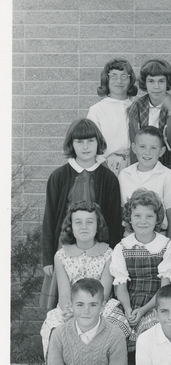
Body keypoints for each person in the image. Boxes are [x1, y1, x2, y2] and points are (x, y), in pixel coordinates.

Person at [41, 118, 122, 310]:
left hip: (98, 252)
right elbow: (49, 218)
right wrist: (47, 257)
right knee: (64, 303)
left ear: (98, 143)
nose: (85, 147)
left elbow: (114, 220)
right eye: (79, 142)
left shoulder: (108, 178)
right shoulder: (59, 176)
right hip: (64, 250)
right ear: (71, 144)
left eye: (90, 141)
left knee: (95, 301)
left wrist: (113, 256)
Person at [39, 202, 131, 358]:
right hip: (71, 306)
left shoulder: (109, 253)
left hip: (101, 306)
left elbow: (103, 292)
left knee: (116, 325)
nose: (84, 227)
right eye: (78, 222)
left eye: (90, 222)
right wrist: (73, 312)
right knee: (54, 326)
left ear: (98, 226)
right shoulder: (61, 255)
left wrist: (89, 312)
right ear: (70, 226)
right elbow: (64, 294)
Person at [108, 189, 171, 353]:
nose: (143, 221)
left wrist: (144, 310)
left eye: (149, 216)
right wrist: (127, 308)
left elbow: (164, 288)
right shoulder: (122, 247)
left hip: (155, 302)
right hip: (129, 301)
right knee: (111, 328)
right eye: (137, 216)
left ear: (157, 218)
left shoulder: (166, 245)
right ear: (129, 218)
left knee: (151, 330)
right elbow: (120, 286)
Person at [118, 126, 171, 241]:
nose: (147, 152)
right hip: (129, 237)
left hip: (159, 237)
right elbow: (122, 212)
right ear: (134, 148)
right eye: (142, 147)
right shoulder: (124, 175)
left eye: (153, 148)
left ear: (161, 151)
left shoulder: (167, 176)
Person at [127, 58, 171, 168]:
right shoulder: (137, 107)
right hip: (144, 164)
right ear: (145, 83)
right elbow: (135, 142)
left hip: (170, 165)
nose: (156, 87)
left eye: (161, 81)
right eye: (151, 81)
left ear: (167, 82)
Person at [87, 58, 137, 175]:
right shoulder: (97, 110)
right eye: (113, 76)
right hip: (107, 165)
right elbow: (92, 142)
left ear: (130, 80)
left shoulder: (136, 107)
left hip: (135, 164)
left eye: (124, 76)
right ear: (106, 80)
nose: (119, 81)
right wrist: (103, 167)